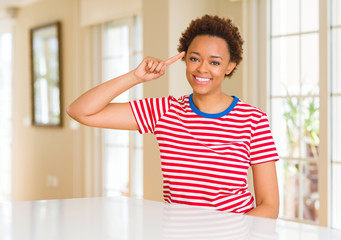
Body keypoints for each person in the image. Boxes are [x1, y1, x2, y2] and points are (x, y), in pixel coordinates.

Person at [67, 15, 280, 219]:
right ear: (185, 59)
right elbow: (79, 111)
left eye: (214, 62)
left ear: (230, 66)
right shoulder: (164, 112)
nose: (202, 69)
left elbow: (269, 206)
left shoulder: (253, 120)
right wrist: (135, 77)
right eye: (194, 58)